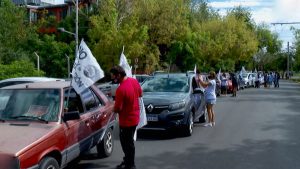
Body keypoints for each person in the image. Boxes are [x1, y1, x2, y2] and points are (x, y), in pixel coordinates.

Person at [110, 66, 142, 169]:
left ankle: (130, 165)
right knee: (129, 142)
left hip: (126, 121)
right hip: (135, 118)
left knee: (127, 144)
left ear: (118, 75)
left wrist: (112, 109)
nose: (113, 79)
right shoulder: (134, 81)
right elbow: (141, 94)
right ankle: (127, 160)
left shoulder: (120, 89)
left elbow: (118, 108)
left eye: (114, 76)